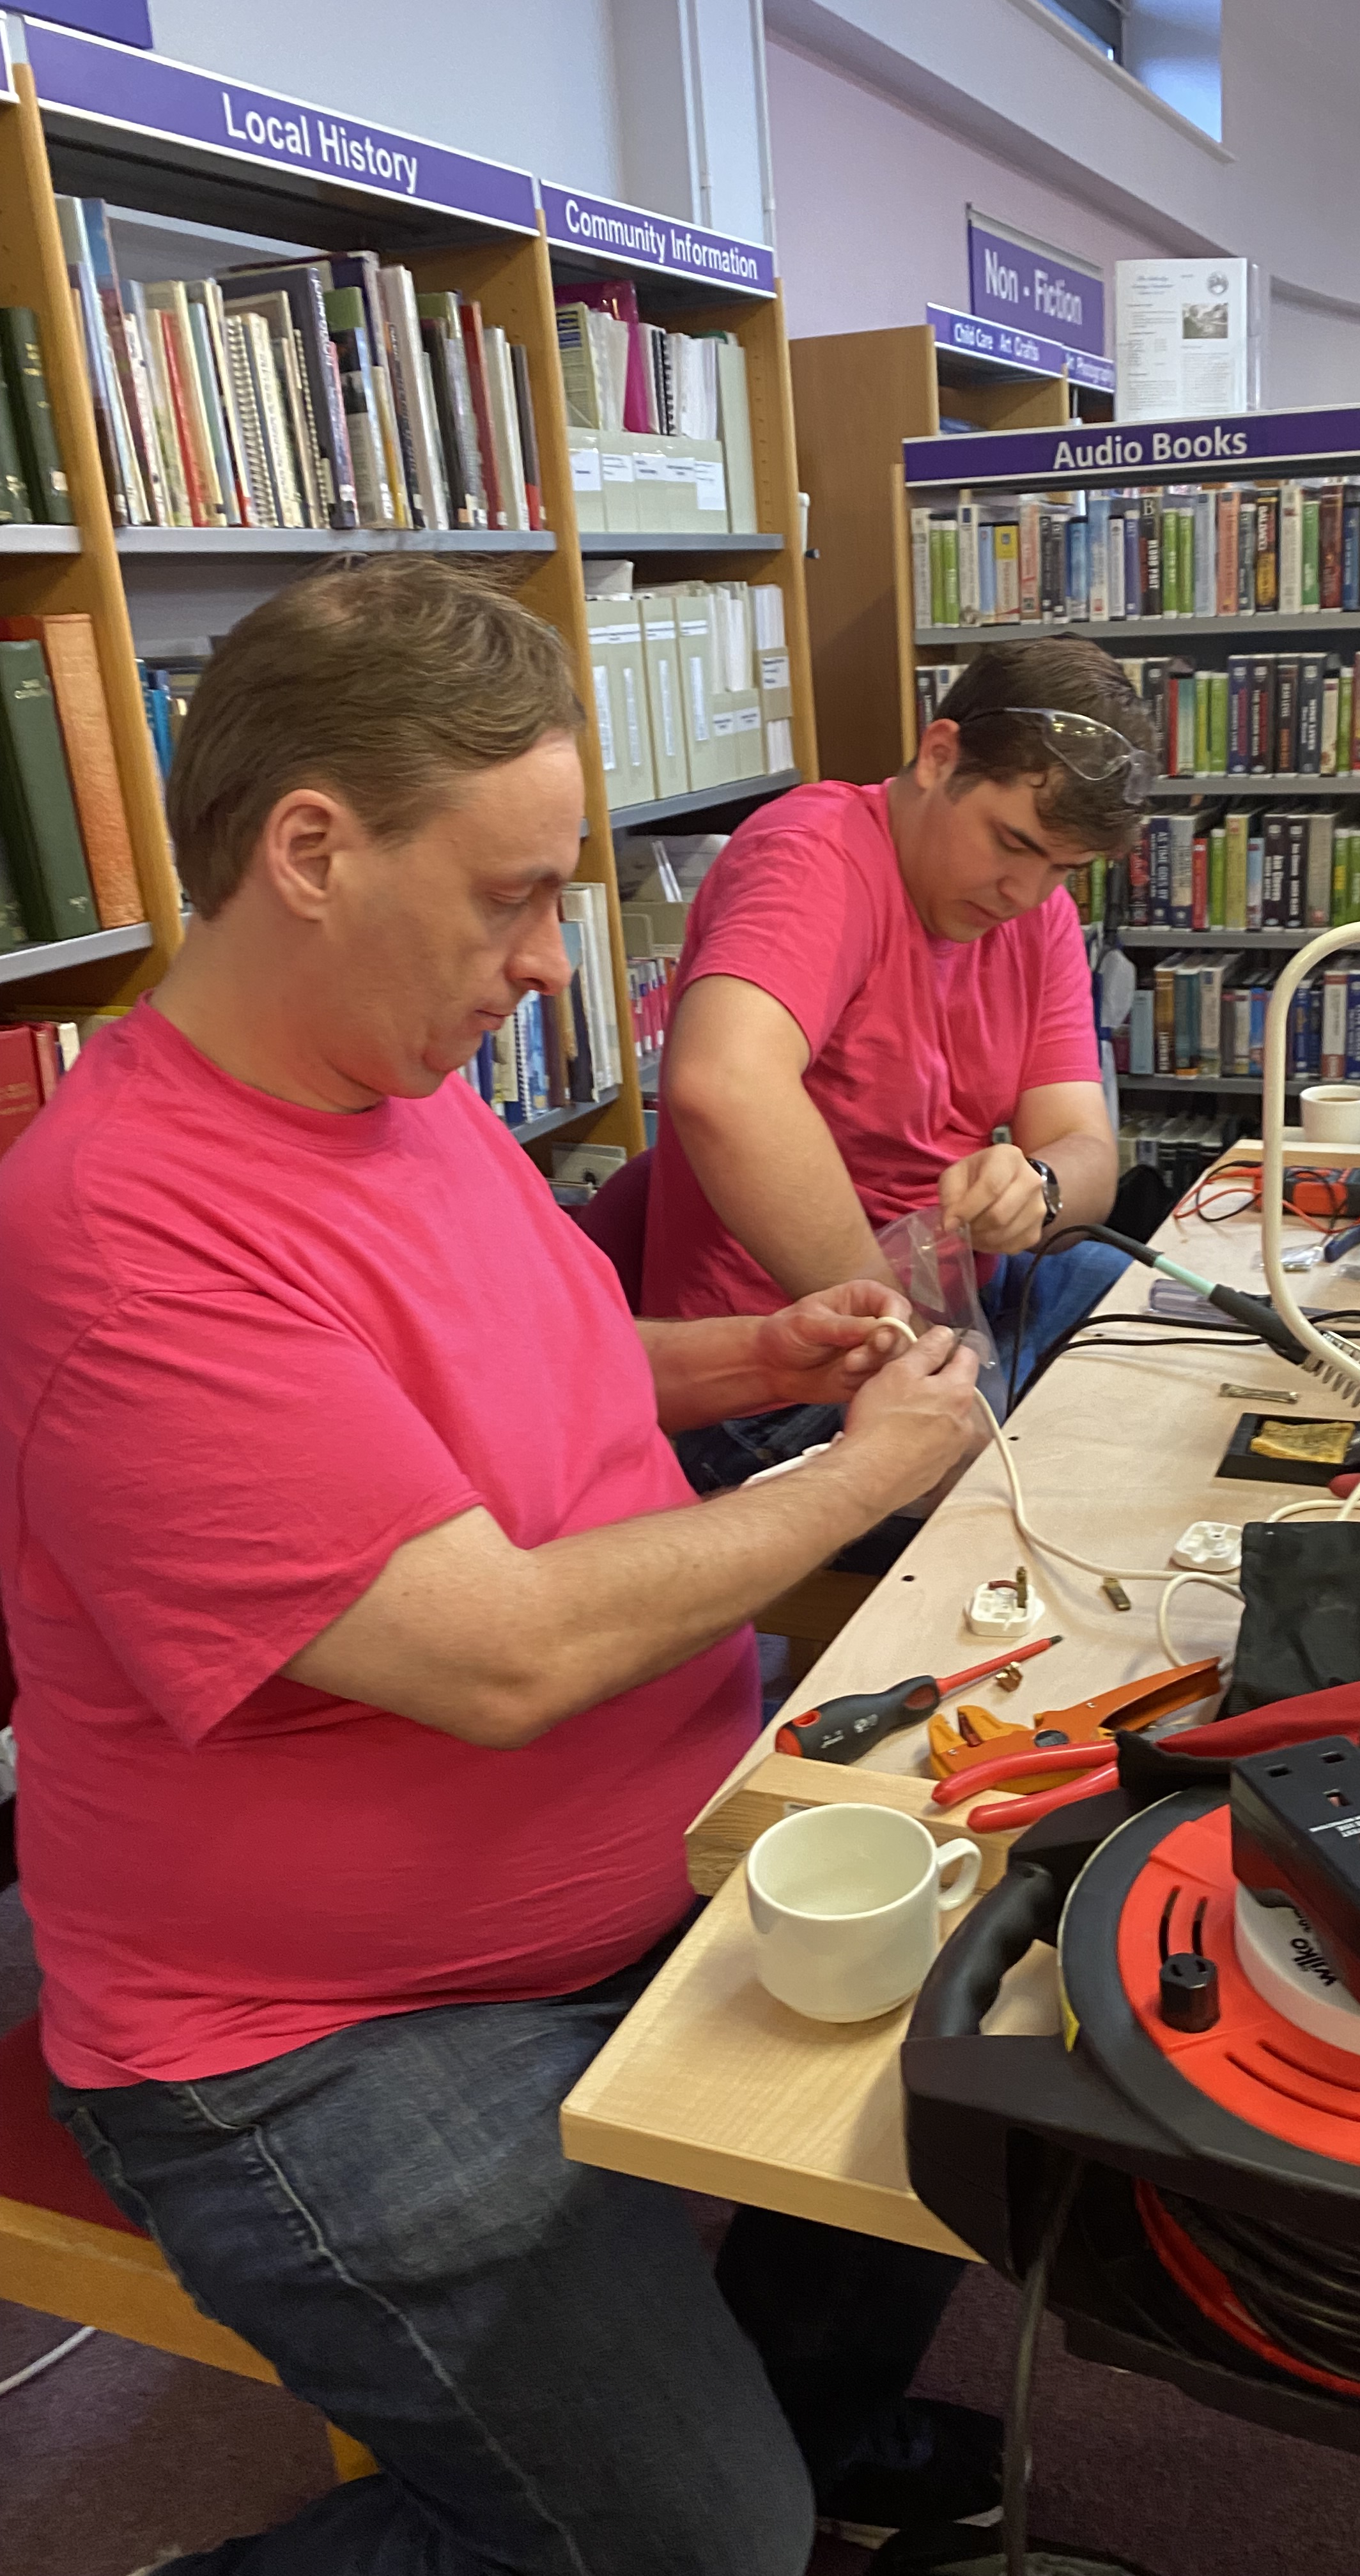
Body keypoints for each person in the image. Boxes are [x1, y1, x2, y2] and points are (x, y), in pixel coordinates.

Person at [0, 559, 994, 2576]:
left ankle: (772, 2429)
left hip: (629, 1871)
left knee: (974, 2047)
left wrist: (757, 1358)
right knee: (707, 2547)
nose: (550, 962)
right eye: (513, 897)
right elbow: (496, 1656)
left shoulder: (396, 1085)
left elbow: (524, 1362)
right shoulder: (124, 1231)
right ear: (311, 852)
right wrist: (859, 1471)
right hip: (314, 2038)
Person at [642, 640, 1151, 1491]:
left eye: (1063, 870)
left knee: (1180, 1353)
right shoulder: (815, 854)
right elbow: (722, 1085)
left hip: (957, 1310)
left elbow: (1086, 1152)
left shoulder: (1038, 914)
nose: (1024, 895)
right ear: (939, 754)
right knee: (1076, 1493)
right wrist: (903, 1336)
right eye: (1010, 843)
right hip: (791, 1364)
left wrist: (1038, 1186)